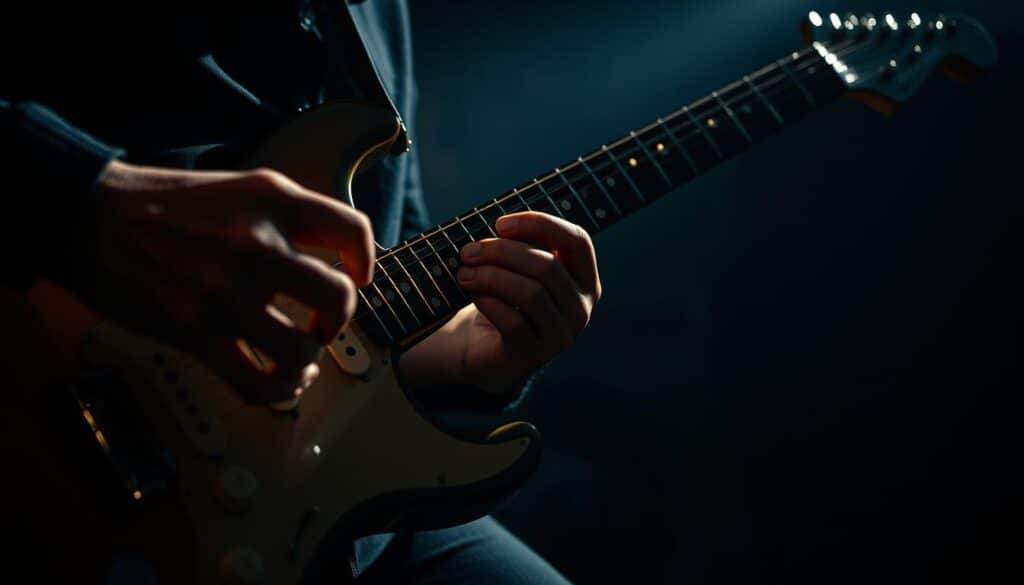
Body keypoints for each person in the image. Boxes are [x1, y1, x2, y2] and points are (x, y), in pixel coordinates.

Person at [1, 1, 598, 583]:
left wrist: (475, 351)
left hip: (320, 489)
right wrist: (88, 200)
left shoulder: (381, 12)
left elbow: (383, 262)